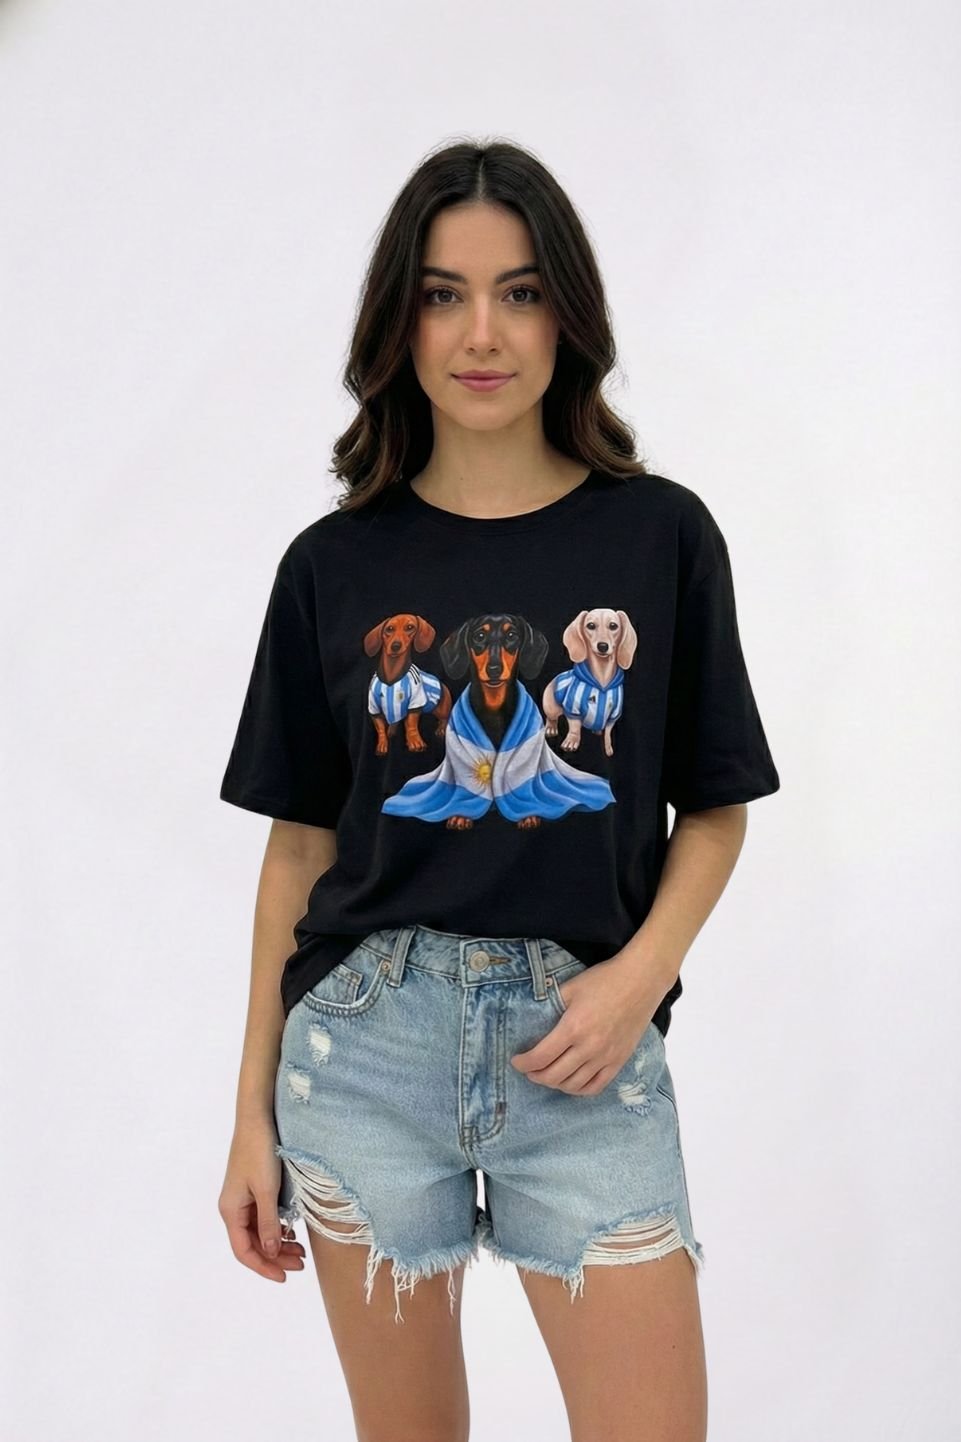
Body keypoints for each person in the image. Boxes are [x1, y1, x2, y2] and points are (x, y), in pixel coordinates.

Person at [217, 138, 780, 1442]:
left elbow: (714, 806)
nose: (483, 332)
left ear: (566, 316)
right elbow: (299, 850)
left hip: (585, 1052)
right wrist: (248, 1113)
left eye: (520, 292)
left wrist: (635, 981)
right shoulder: (331, 566)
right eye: (443, 293)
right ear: (398, 322)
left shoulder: (661, 536)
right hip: (360, 1055)